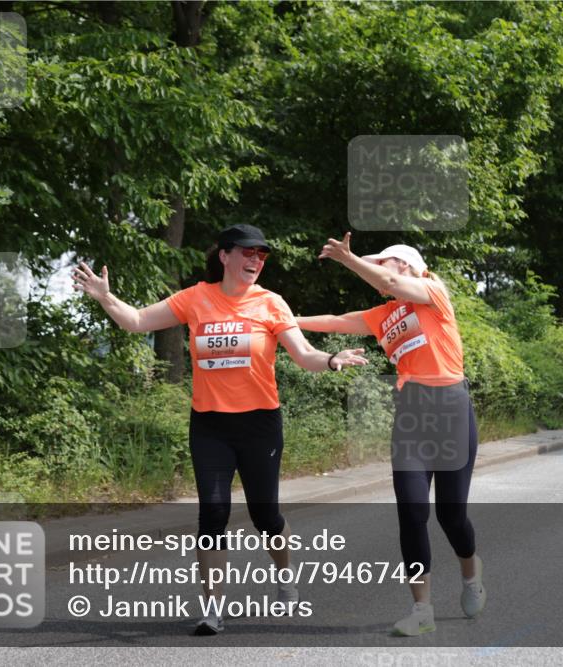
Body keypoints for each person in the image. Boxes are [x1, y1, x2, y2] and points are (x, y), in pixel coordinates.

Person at [73, 224, 367, 636]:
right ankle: (212, 609)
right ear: (225, 256)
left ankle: (284, 578)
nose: (255, 261)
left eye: (261, 256)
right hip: (210, 425)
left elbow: (304, 355)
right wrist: (105, 297)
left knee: (266, 516)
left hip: (260, 424)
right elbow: (138, 321)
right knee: (212, 513)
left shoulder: (271, 304)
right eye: (248, 253)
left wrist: (332, 359)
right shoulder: (196, 298)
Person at [297, 233, 485, 637]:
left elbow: (392, 286)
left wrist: (347, 259)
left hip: (451, 410)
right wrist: (281, 321)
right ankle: (422, 610)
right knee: (412, 513)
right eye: (376, 263)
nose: (379, 268)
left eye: (384, 262)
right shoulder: (383, 315)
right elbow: (333, 321)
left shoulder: (432, 293)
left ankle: (471, 573)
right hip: (412, 418)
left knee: (452, 517)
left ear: (407, 265)